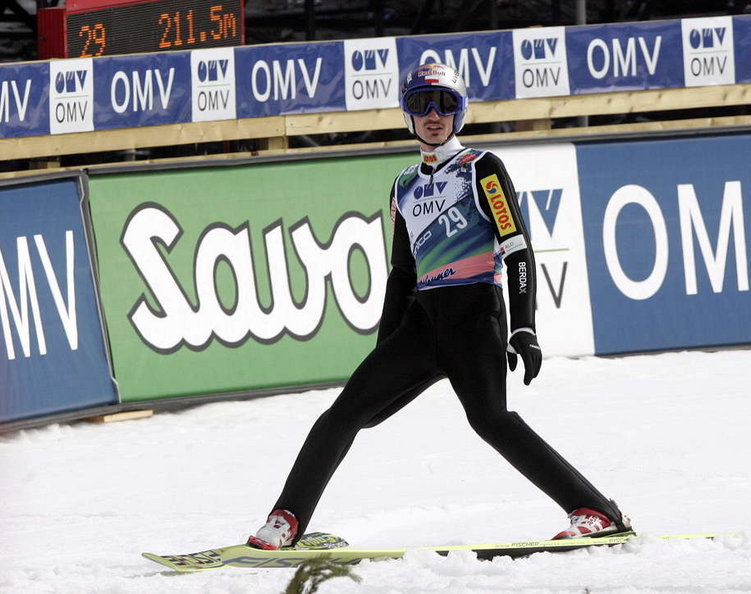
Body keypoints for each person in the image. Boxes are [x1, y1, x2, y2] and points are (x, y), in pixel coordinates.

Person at [248, 63, 630, 550]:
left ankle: (596, 510)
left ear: (461, 112)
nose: (433, 114)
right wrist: (383, 350)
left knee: (491, 420)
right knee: (341, 415)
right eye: (421, 104)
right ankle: (287, 520)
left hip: (475, 317)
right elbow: (402, 274)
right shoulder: (403, 184)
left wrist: (524, 327)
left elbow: (517, 247)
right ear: (407, 115)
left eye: (446, 104)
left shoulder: (481, 167)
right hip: (422, 324)